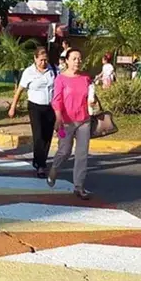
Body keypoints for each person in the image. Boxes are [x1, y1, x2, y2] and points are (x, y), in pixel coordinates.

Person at [48, 47, 97, 200]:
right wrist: (58, 118)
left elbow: (90, 95)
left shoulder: (85, 78)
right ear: (67, 61)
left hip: (84, 120)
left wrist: (92, 102)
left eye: (79, 58)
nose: (77, 61)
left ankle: (79, 187)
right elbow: (56, 100)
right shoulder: (60, 79)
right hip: (66, 121)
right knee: (65, 151)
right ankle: (54, 169)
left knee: (82, 154)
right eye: (74, 58)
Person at [9, 47, 57, 178]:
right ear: (35, 59)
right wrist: (13, 106)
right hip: (35, 107)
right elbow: (19, 90)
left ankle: (40, 160)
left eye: (45, 60)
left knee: (47, 136)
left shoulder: (53, 69)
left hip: (51, 107)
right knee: (38, 136)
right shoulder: (29, 72)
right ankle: (41, 166)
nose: (43, 62)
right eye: (41, 60)